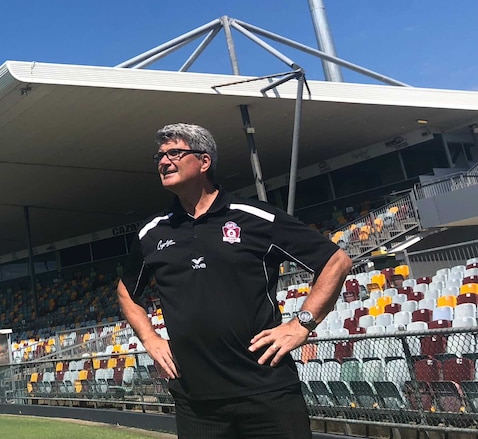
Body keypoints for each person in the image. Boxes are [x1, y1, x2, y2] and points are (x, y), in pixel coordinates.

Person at [117, 123, 352, 439]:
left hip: (267, 392)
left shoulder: (256, 218)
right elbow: (126, 292)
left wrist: (302, 324)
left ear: (204, 161)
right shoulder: (152, 233)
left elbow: (336, 260)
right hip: (196, 402)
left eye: (174, 152)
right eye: (159, 155)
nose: (163, 161)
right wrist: (151, 340)